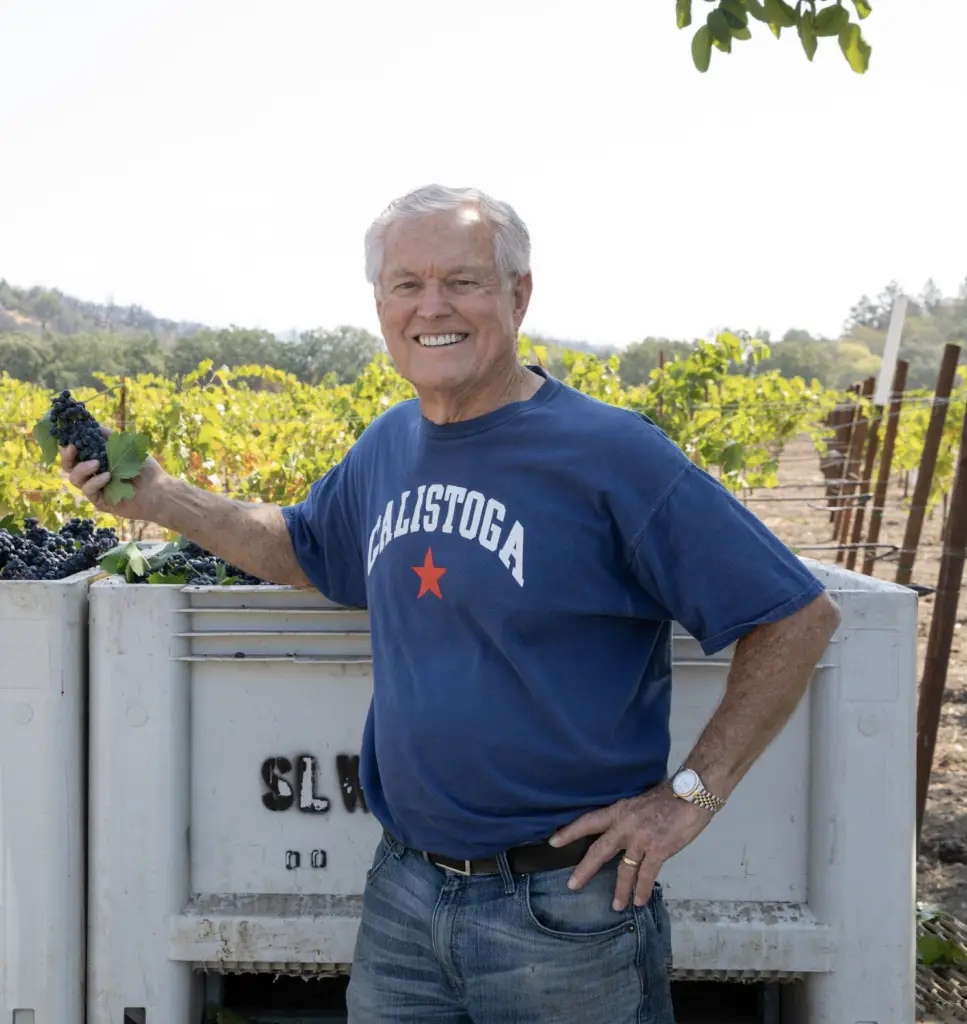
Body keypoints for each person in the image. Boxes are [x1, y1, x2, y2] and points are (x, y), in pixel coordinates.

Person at [62, 184, 841, 1024]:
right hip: (405, 893)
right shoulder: (389, 444)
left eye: (462, 281)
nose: (431, 306)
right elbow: (300, 546)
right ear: (380, 304)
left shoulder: (611, 453)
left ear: (518, 294)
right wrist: (164, 498)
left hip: (564, 908)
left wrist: (688, 798)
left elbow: (796, 616)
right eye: (406, 284)